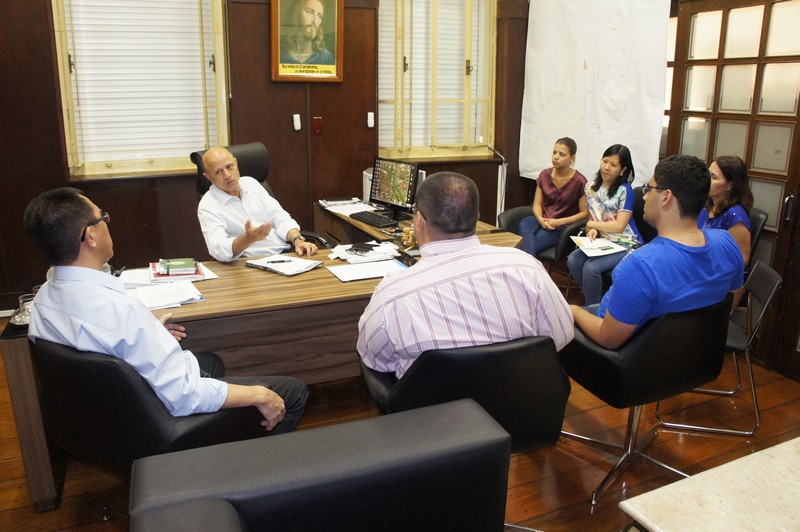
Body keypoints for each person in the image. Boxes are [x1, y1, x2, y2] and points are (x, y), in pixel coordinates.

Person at [24, 188, 308, 434]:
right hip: (157, 423)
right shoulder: (121, 312)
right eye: (102, 218)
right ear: (91, 237)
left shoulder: (43, 300)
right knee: (292, 393)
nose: (108, 224)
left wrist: (149, 336)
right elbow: (184, 396)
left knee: (210, 362)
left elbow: (98, 348)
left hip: (105, 417)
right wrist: (258, 395)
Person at [357, 171, 574, 379]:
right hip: (518, 406)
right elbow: (561, 334)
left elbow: (375, 360)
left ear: (419, 222)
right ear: (477, 218)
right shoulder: (528, 268)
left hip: (429, 412)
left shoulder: (391, 296)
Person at [571, 155, 744, 349]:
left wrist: (571, 310)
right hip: (690, 354)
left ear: (665, 197)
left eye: (648, 189)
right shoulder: (727, 243)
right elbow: (733, 296)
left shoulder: (640, 265)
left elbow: (608, 338)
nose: (644, 196)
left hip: (631, 357)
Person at [198, 146, 319, 262]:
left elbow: (279, 216)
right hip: (246, 265)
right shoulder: (208, 205)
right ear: (208, 177)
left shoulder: (252, 184)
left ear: (236, 163)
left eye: (229, 167)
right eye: (218, 172)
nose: (227, 175)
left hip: (283, 256)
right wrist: (247, 239)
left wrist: (298, 240)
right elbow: (218, 248)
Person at [567, 144, 642, 306]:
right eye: (605, 161)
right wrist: (592, 228)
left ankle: (592, 308)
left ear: (623, 169)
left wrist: (591, 224)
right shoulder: (590, 188)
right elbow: (595, 217)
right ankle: (596, 298)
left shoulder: (624, 190)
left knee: (591, 268)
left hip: (627, 243)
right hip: (605, 242)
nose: (606, 167)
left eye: (613, 165)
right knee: (573, 259)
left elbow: (619, 226)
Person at [518, 137, 589, 257]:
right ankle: (527, 266)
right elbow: (537, 204)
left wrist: (559, 222)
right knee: (524, 224)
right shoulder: (544, 175)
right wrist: (540, 220)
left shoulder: (580, 181)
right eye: (554, 152)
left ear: (572, 158)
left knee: (528, 243)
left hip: (561, 227)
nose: (556, 157)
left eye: (562, 154)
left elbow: (584, 213)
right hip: (541, 219)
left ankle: (524, 266)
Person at [698, 155, 753, 266]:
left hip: (716, 274)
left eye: (713, 177)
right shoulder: (706, 204)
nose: (707, 180)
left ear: (729, 185)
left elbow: (742, 259)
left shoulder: (735, 216)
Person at [279, 0, 334, 65]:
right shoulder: (280, 53)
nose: (315, 21)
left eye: (319, 16)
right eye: (309, 12)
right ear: (296, 14)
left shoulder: (325, 57)